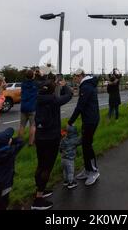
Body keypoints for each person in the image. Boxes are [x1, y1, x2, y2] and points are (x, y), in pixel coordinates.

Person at [32, 79, 73, 210]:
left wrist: (50, 83)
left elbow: (40, 84)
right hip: (52, 138)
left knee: (41, 164)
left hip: (40, 137)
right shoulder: (54, 101)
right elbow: (69, 94)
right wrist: (64, 85)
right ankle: (38, 200)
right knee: (47, 168)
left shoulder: (38, 99)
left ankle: (40, 189)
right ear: (51, 90)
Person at [68, 68, 100, 187]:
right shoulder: (86, 85)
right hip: (89, 119)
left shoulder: (86, 87)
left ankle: (94, 171)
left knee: (87, 145)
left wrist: (70, 122)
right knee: (86, 145)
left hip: (90, 120)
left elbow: (80, 106)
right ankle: (87, 170)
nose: (74, 79)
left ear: (80, 76)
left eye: (75, 77)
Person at [0, 127, 24, 210]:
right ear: (8, 142)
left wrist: (7, 141)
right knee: (3, 201)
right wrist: (12, 140)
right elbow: (21, 142)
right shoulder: (11, 152)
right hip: (5, 183)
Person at [19, 69, 38, 146]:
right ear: (33, 76)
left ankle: (19, 143)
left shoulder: (23, 84)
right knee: (32, 126)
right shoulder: (35, 84)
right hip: (32, 107)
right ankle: (30, 143)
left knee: (22, 125)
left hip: (23, 107)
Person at [59, 125, 81, 189]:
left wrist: (61, 151)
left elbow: (60, 147)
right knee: (70, 172)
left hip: (63, 159)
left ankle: (65, 181)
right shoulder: (74, 140)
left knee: (65, 171)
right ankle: (71, 183)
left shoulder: (63, 139)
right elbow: (80, 142)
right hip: (70, 159)